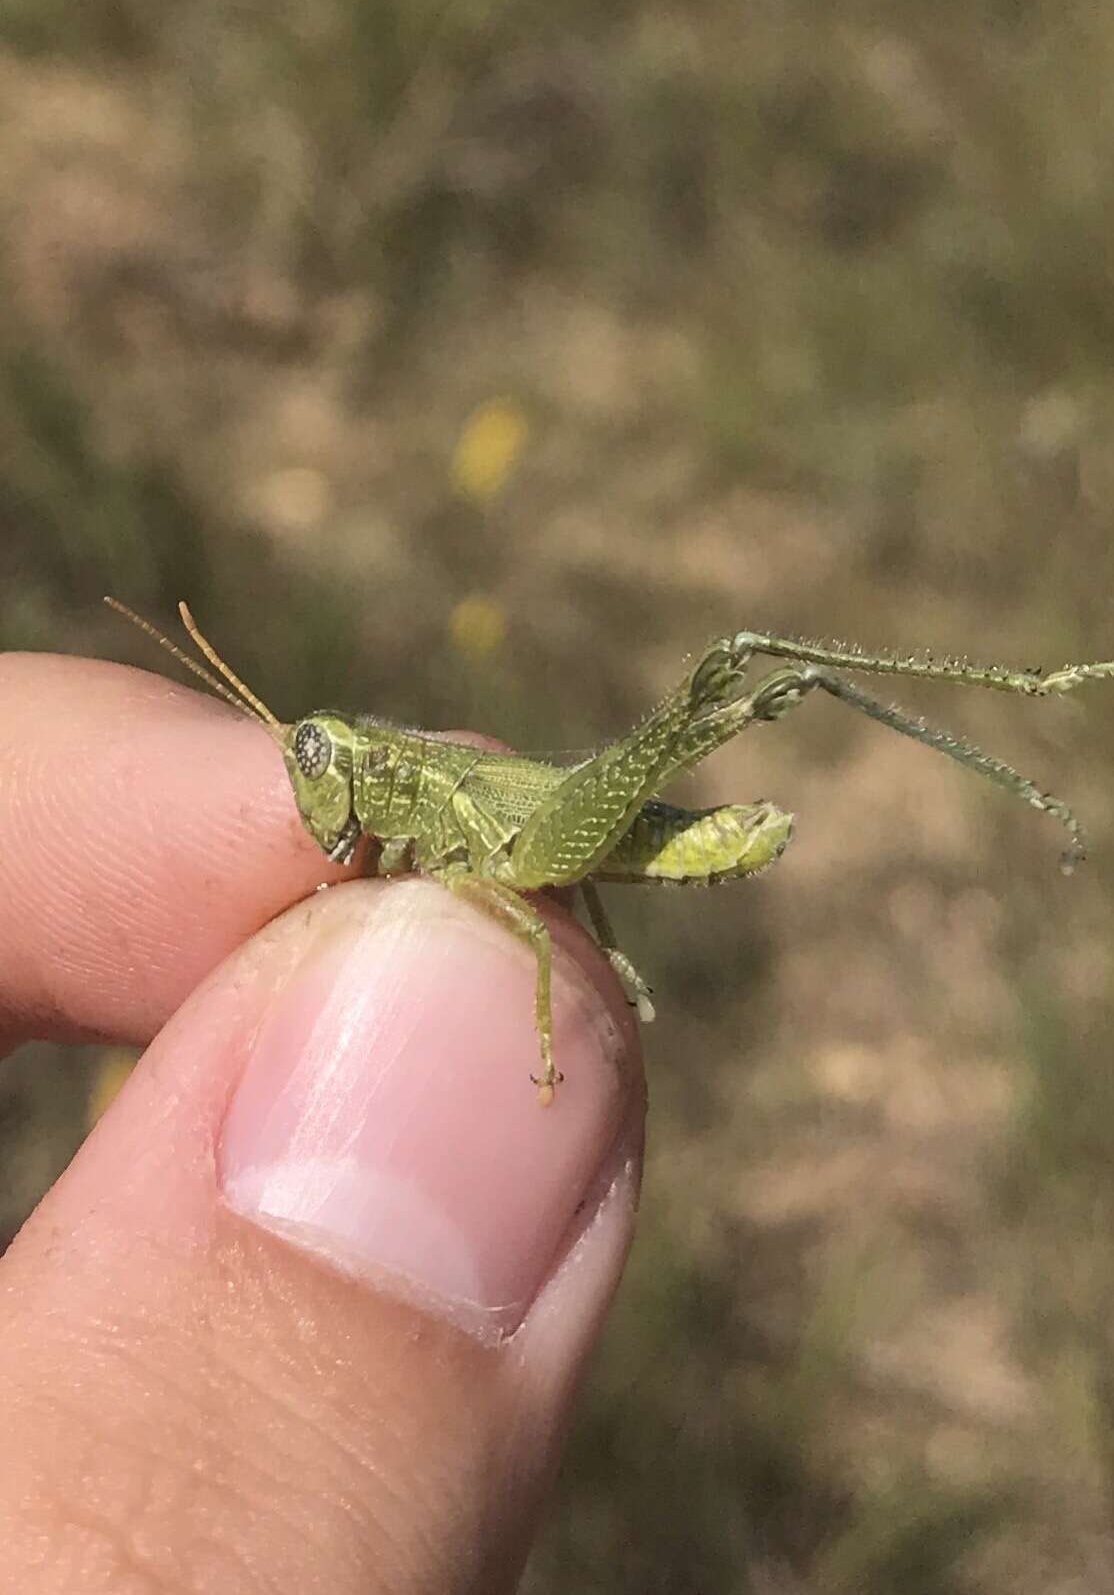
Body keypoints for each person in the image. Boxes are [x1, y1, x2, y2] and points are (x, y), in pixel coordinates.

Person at [0, 646, 646, 1592]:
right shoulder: (394, 801)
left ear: (374, 773)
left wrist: (544, 1040)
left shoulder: (433, 795)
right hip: (549, 823)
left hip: (589, 823)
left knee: (736, 663)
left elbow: (548, 859)